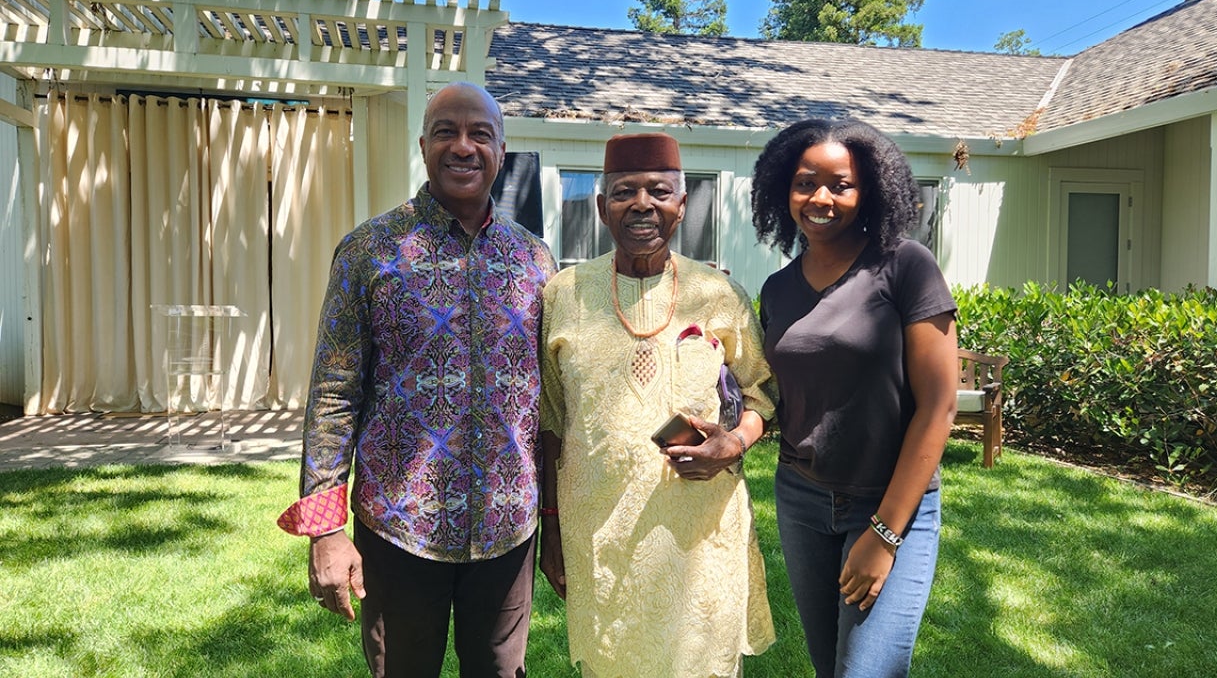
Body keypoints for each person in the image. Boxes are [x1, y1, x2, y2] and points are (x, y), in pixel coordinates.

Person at [275, 82, 556, 678]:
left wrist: (555, 521)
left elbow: (550, 401)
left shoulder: (535, 261)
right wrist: (325, 530)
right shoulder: (369, 251)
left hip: (507, 528)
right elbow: (333, 393)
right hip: (400, 525)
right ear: (423, 146)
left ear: (501, 150)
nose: (464, 146)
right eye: (447, 132)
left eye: (480, 134)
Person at [538, 133, 776, 678]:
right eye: (624, 192)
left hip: (701, 535)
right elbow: (551, 422)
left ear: (682, 205)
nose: (642, 205)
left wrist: (734, 443)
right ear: (602, 207)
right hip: (600, 534)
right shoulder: (564, 295)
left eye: (659, 192)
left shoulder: (718, 294)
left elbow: (761, 394)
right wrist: (552, 529)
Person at [750, 118, 958, 678]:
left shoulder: (906, 266)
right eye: (805, 183)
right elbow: (779, 395)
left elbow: (939, 406)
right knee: (831, 669)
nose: (820, 198)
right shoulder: (778, 289)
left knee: (865, 671)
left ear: (869, 191)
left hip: (890, 500)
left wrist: (885, 534)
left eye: (840, 185)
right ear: (783, 190)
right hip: (801, 500)